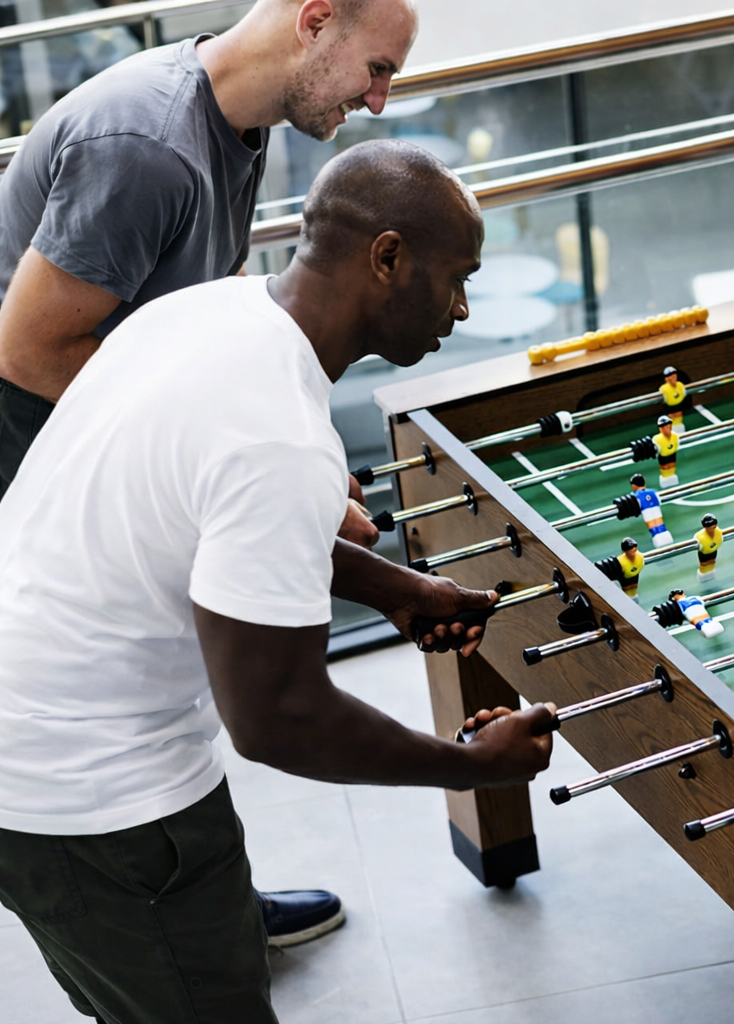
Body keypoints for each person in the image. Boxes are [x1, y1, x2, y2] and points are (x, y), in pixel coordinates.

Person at [0, 140, 555, 1023]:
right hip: (96, 798)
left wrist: (399, 592)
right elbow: (277, 718)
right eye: (457, 277)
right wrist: (469, 766)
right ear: (387, 257)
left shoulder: (205, 315)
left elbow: (212, 530)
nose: (461, 305)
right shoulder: (283, 437)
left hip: (27, 744)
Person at [0, 0, 420, 946]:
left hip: (96, 415)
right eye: (379, 68)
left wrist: (283, 474)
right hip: (37, 423)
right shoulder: (147, 147)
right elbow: (28, 352)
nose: (382, 100)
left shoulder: (240, 125)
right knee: (119, 706)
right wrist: (238, 464)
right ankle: (170, 917)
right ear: (317, 21)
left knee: (206, 673)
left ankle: (209, 901)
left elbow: (207, 335)